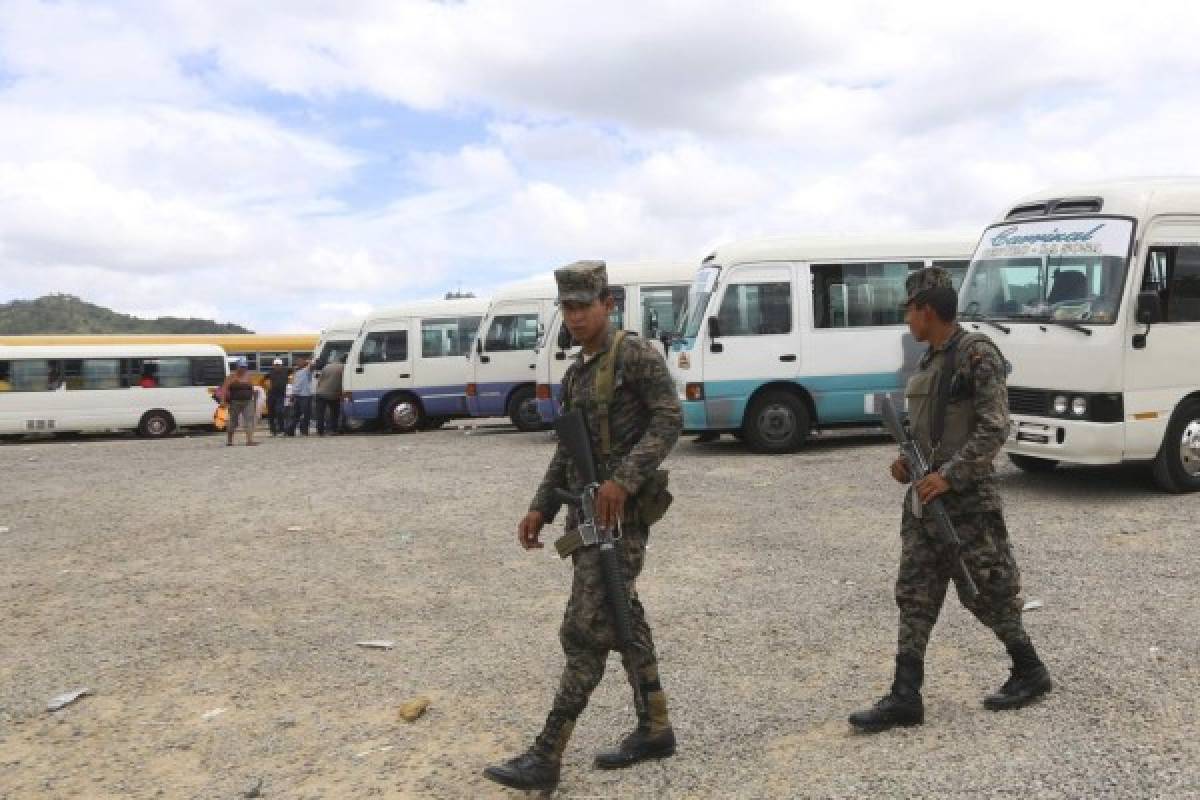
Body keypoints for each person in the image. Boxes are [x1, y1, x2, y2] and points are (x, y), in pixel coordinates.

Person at [484, 261, 682, 791]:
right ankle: (655, 726)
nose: (573, 316)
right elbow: (566, 452)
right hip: (586, 519)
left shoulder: (634, 355)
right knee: (624, 620)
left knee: (585, 633)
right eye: (566, 307)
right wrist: (540, 508)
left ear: (606, 304)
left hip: (621, 520)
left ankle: (547, 755)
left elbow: (669, 418)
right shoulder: (576, 373)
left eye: (582, 306)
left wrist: (624, 478)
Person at [848, 267, 1052, 734]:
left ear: (927, 311)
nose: (906, 319)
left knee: (986, 591)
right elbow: (924, 433)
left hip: (966, 504)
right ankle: (905, 696)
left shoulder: (976, 354)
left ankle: (1029, 669)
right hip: (924, 501)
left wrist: (950, 476)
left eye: (909, 311)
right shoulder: (928, 362)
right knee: (914, 594)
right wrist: (906, 462)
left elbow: (995, 426)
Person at [220, 358, 259, 446]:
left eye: (245, 367)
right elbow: (224, 389)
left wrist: (254, 396)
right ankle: (230, 441)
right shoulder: (231, 377)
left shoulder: (249, 376)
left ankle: (249, 440)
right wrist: (222, 401)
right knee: (233, 421)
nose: (243, 369)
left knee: (249, 420)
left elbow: (252, 388)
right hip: (235, 402)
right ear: (237, 367)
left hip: (248, 401)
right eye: (241, 367)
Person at [313, 355, 344, 436]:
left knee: (320, 413)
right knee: (335, 413)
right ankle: (333, 430)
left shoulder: (327, 366)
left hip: (320, 393)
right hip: (333, 394)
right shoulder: (343, 368)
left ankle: (320, 431)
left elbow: (320, 380)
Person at [287, 356, 314, 436]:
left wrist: (309, 361)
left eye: (300, 361)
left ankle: (303, 431)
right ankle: (291, 430)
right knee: (296, 414)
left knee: (304, 414)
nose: (298, 363)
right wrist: (293, 394)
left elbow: (312, 365)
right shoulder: (296, 372)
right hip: (299, 395)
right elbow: (296, 384)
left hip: (305, 395)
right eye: (297, 362)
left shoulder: (306, 370)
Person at [266, 358, 289, 437]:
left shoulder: (286, 371)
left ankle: (281, 429)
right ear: (273, 365)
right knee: (271, 413)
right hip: (271, 395)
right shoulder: (270, 372)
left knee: (280, 412)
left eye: (278, 365)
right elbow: (263, 380)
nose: (277, 366)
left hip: (281, 395)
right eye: (276, 365)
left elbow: (296, 369)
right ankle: (273, 431)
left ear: (281, 365)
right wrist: (267, 385)